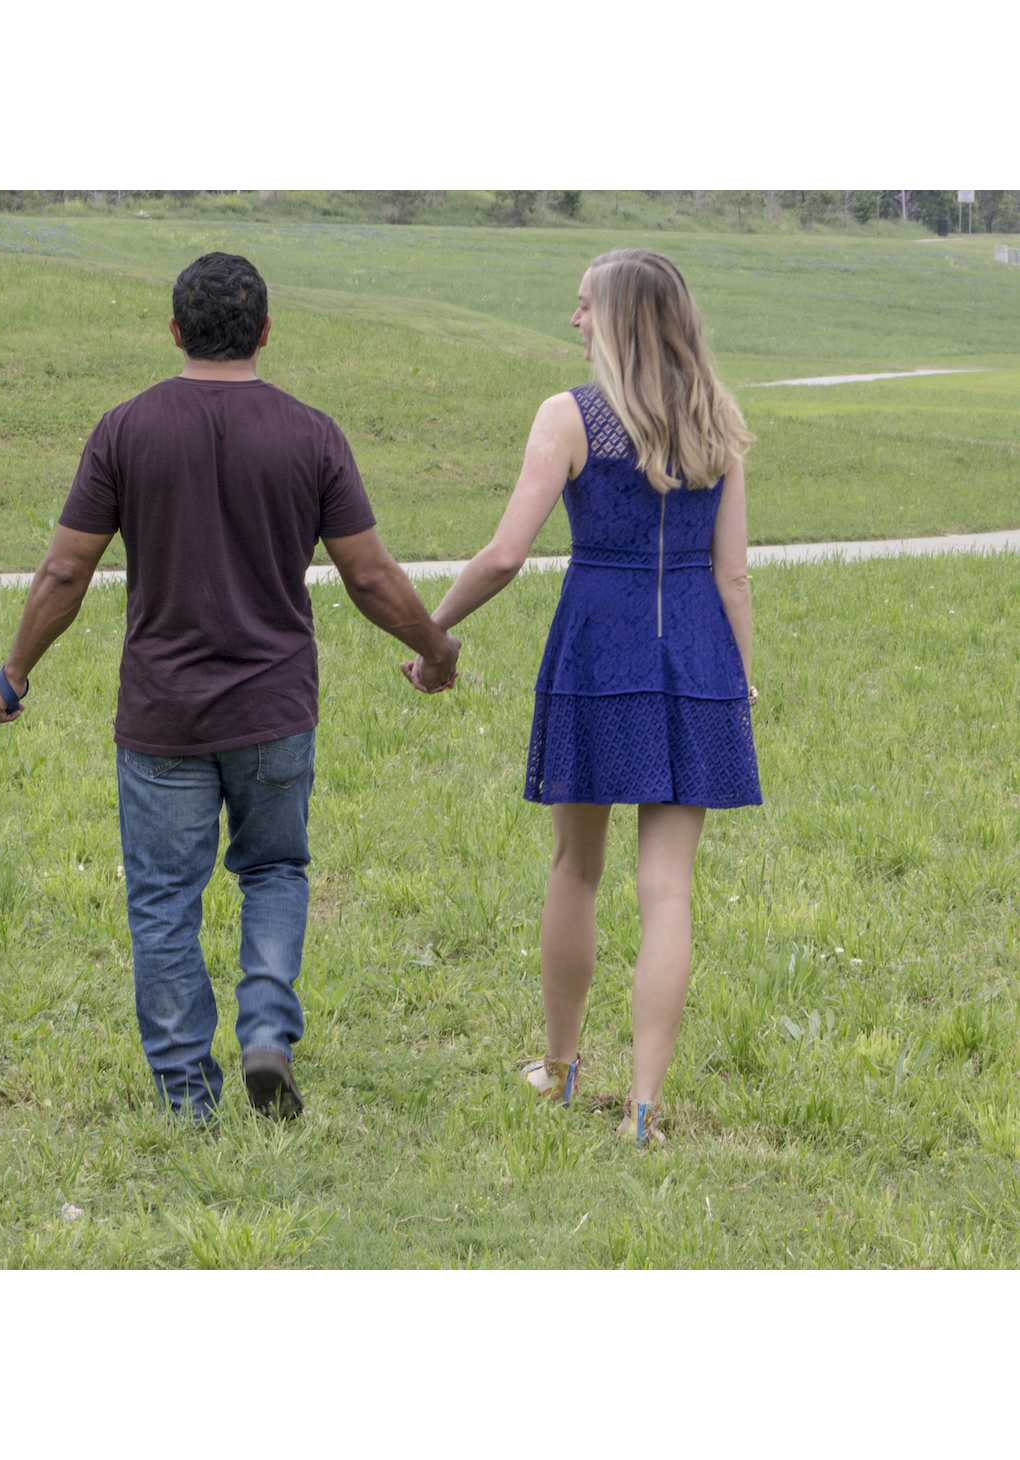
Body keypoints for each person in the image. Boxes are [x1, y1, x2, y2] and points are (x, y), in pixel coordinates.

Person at [0, 252, 460, 1123]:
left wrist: (15, 674)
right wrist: (437, 649)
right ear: (266, 332)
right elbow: (369, 576)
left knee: (165, 898)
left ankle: (186, 1094)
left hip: (162, 714)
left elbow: (64, 571)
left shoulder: (125, 429)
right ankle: (268, 1032)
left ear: (175, 332)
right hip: (274, 710)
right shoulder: (312, 434)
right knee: (273, 868)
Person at [404, 248, 760, 1147]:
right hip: (696, 660)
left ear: (622, 318)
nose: (574, 320)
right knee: (667, 891)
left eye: (585, 306)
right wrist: (737, 681)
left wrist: (431, 632)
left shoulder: (568, 417)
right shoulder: (717, 418)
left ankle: (561, 1072)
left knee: (575, 867)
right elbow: (733, 576)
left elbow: (503, 555)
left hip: (598, 653)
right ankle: (642, 1109)